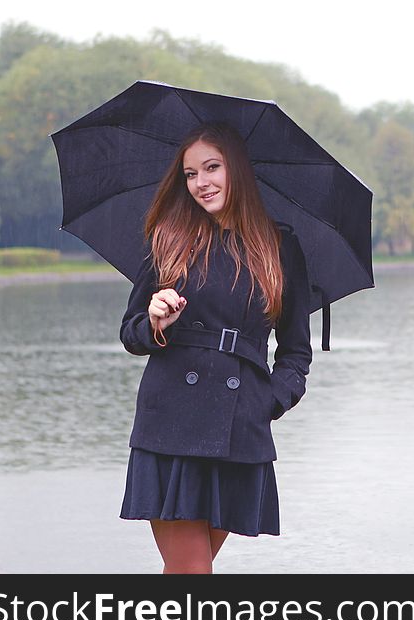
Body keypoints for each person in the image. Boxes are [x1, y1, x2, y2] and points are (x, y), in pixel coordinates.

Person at [118, 121, 312, 574]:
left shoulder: (280, 246)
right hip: (172, 423)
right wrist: (153, 320)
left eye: (212, 168)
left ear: (236, 170)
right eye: (190, 174)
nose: (200, 183)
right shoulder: (168, 238)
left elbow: (295, 352)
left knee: (186, 574)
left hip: (238, 426)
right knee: (193, 573)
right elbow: (130, 334)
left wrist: (269, 401)